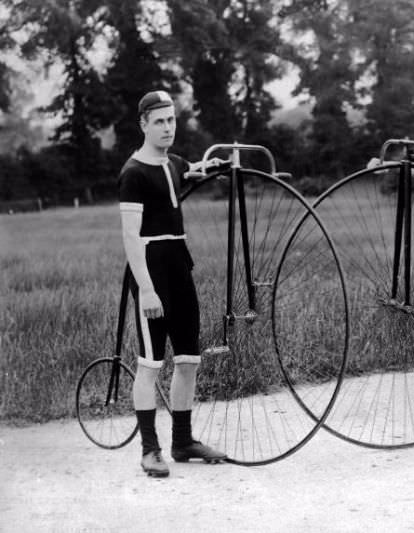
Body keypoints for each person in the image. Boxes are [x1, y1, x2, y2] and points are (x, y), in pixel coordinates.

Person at [119, 90, 226, 477]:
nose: (167, 128)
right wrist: (146, 289)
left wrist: (205, 167)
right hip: (151, 270)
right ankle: (150, 450)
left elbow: (188, 170)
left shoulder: (174, 163)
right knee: (150, 364)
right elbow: (131, 238)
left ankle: (183, 442)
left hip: (179, 266)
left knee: (188, 361)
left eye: (171, 120)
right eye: (159, 121)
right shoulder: (133, 172)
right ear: (144, 124)